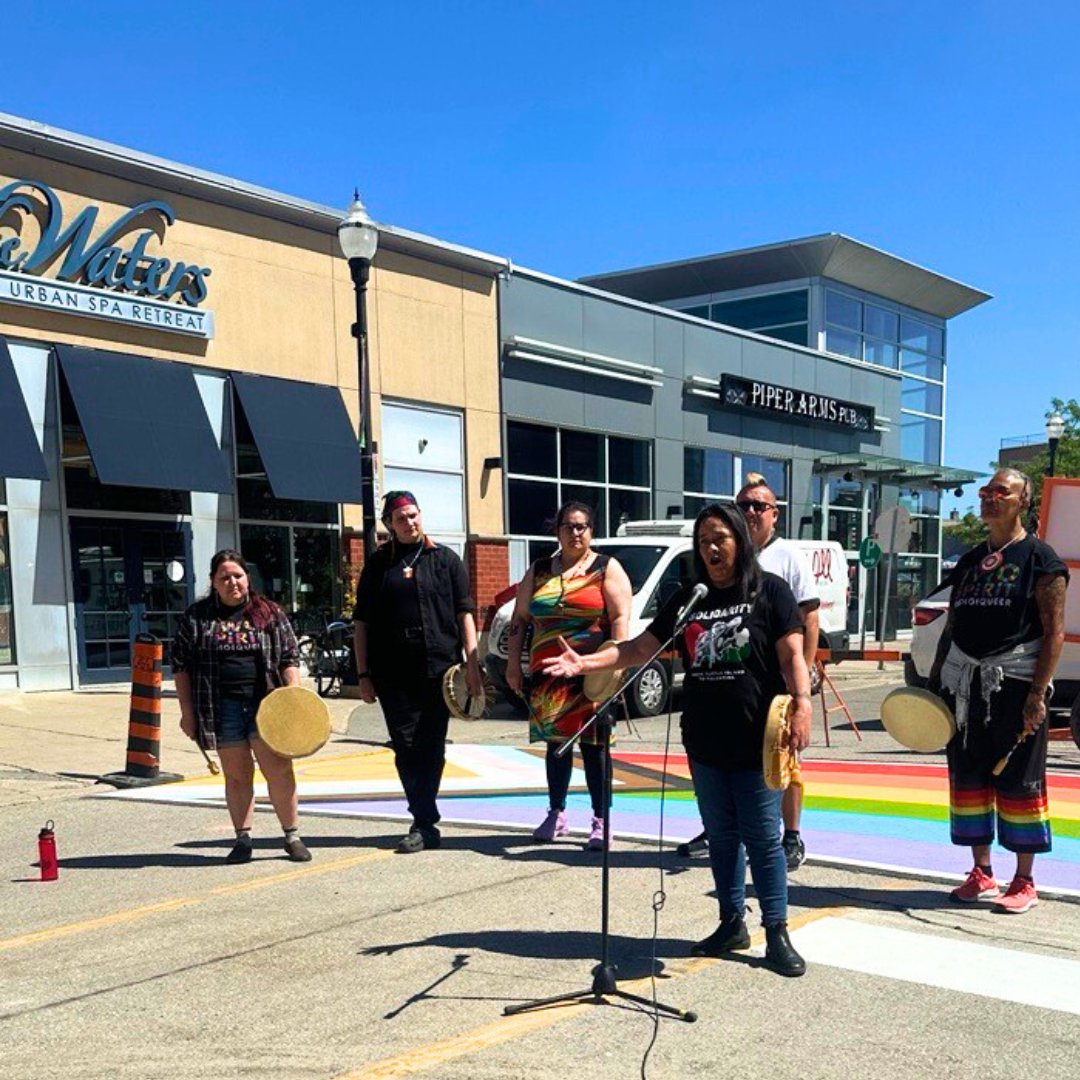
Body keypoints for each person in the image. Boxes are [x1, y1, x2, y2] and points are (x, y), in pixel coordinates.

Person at [543, 503, 813, 976]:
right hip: (705, 739)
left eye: (720, 538)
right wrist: (587, 663)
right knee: (722, 837)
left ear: (739, 540)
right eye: (703, 541)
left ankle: (776, 931)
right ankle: (731, 922)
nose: (711, 548)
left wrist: (803, 704)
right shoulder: (692, 597)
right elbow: (640, 648)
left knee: (762, 838)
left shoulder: (769, 590)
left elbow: (792, 655)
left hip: (757, 738)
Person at [929, 468, 1068, 913]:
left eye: (1001, 492)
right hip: (964, 686)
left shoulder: (1041, 559)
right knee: (969, 776)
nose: (990, 498)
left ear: (1023, 501)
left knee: (1019, 779)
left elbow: (1054, 632)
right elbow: (952, 625)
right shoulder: (971, 560)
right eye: (986, 491)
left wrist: (1037, 694)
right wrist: (935, 683)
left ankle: (1024, 880)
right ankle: (981, 872)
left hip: (1015, 686)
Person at [678, 474, 820, 871]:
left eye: (760, 505)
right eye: (744, 505)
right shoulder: (719, 562)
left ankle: (791, 835)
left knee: (783, 765)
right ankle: (717, 828)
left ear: (775, 514)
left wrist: (800, 687)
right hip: (725, 693)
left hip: (775, 687)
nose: (752, 512)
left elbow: (808, 619)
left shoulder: (787, 558)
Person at [352, 491, 483, 854]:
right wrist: (363, 675)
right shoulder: (378, 565)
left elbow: (465, 613)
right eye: (401, 518)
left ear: (420, 515)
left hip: (438, 669)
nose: (409, 522)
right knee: (405, 746)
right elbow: (361, 622)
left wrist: (473, 665)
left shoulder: (446, 560)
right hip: (392, 672)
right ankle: (424, 819)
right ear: (389, 525)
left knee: (432, 746)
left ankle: (424, 821)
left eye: (413, 515)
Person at [505, 501, 632, 850]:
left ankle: (601, 820)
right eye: (568, 526)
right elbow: (520, 619)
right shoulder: (540, 569)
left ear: (591, 530)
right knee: (556, 745)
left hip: (593, 674)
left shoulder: (606, 568)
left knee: (596, 748)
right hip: (548, 674)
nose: (576, 533)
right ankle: (556, 813)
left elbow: (620, 619)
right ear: (557, 531)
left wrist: (615, 667)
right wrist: (513, 664)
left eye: (582, 526)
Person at [174, 549, 309, 864]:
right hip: (222, 708)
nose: (232, 582)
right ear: (213, 582)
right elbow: (181, 667)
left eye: (237, 575)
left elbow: (289, 657)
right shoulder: (196, 618)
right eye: (224, 577)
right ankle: (243, 839)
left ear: (248, 578)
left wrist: (293, 698)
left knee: (279, 771)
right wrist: (187, 713)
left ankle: (292, 836)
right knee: (237, 776)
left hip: (267, 707)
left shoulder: (269, 613)